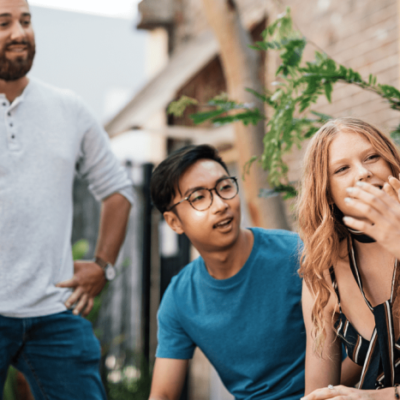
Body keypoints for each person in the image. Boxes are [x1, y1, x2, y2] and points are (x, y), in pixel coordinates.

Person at [0, 0, 133, 398]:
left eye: (26, 21)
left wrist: (102, 266)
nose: (20, 32)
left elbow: (118, 191)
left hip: (55, 313)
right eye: (4, 23)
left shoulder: (68, 108)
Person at [148, 144, 306, 400]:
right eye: (198, 197)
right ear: (174, 222)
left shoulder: (296, 254)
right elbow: (163, 394)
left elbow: (364, 344)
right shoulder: (180, 299)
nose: (221, 205)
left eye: (224, 187)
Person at [298, 118, 400, 400]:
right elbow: (317, 393)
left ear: (392, 164)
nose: (363, 173)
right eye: (342, 169)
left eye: (372, 157)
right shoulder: (324, 273)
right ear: (326, 193)